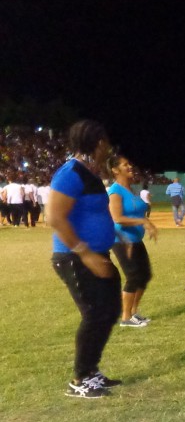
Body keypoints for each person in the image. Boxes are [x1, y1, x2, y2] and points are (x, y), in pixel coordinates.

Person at [48, 120, 121, 398]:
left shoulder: (90, 173)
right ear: (98, 142)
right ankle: (80, 379)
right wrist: (85, 252)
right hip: (74, 257)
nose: (108, 147)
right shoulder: (71, 172)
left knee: (110, 310)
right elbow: (54, 217)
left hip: (96, 254)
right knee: (94, 313)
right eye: (106, 142)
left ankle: (91, 371)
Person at [107, 155, 158, 327]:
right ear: (115, 170)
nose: (130, 166)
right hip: (121, 240)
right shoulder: (115, 191)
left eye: (129, 163)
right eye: (125, 164)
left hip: (135, 239)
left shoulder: (131, 189)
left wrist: (145, 218)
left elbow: (137, 210)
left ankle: (134, 313)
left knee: (145, 275)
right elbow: (117, 218)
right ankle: (126, 318)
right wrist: (144, 221)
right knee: (133, 276)